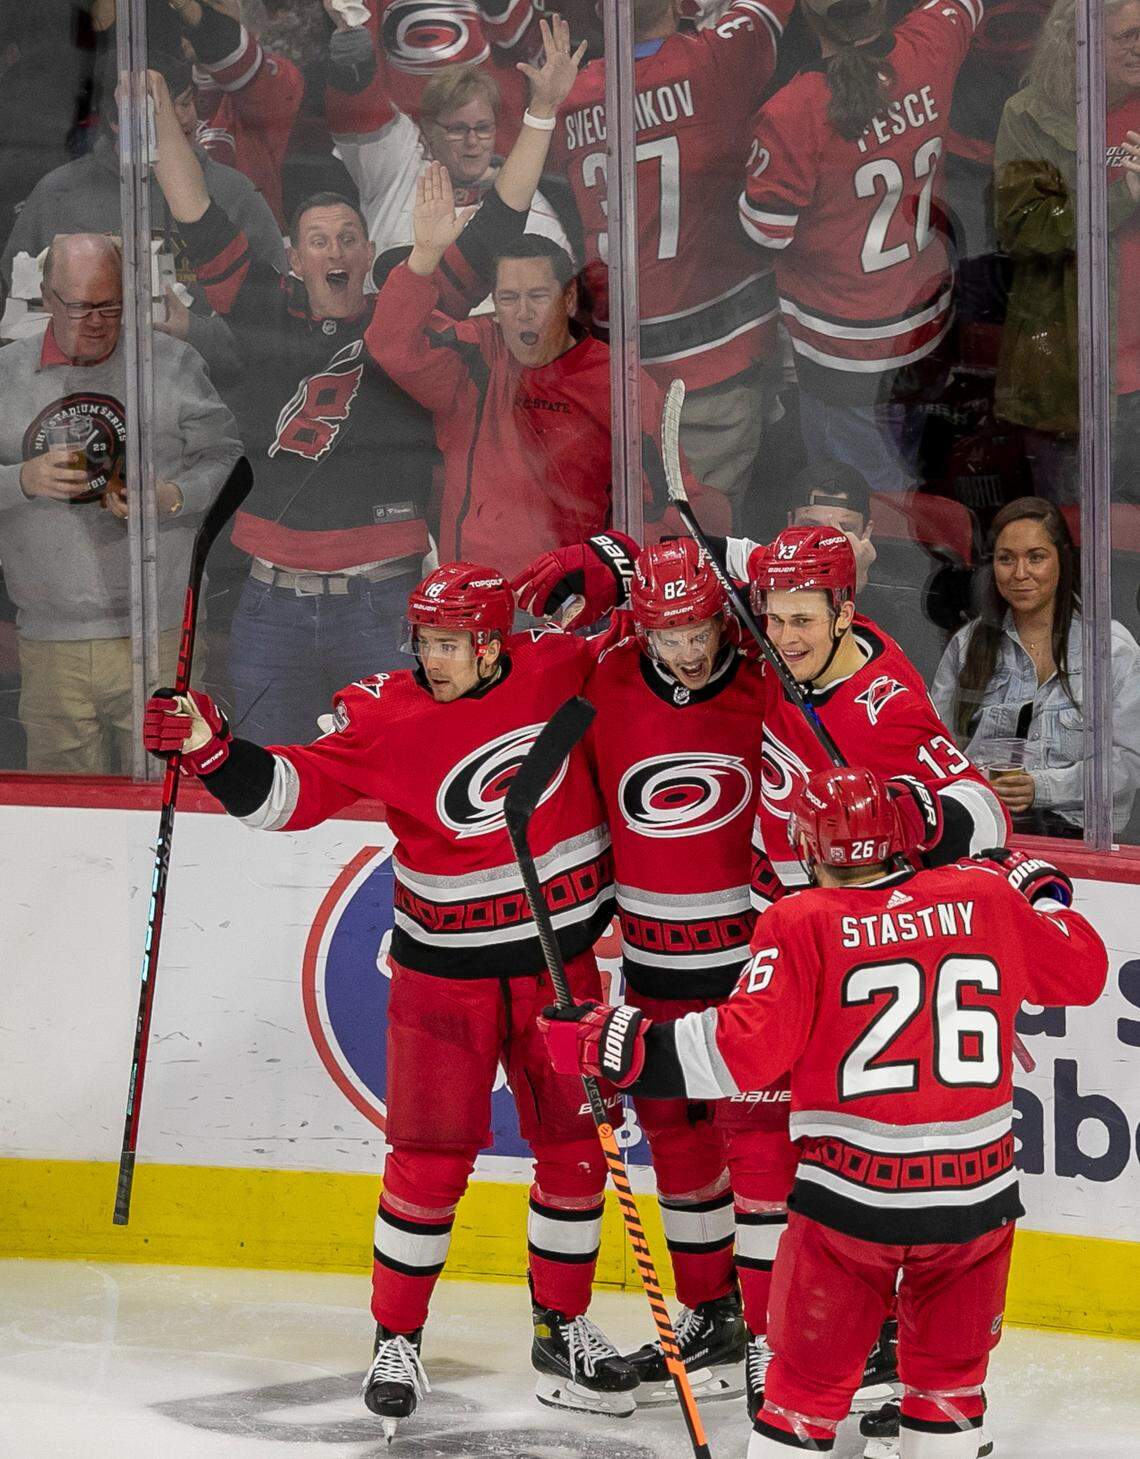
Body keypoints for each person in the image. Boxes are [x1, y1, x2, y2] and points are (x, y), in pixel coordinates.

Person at [515, 523, 1009, 1421]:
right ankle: (737, 1326)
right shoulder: (778, 652)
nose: (776, 634)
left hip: (839, 950)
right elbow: (718, 550)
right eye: (771, 617)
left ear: (844, 611)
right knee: (701, 1146)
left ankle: (842, 1344)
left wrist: (896, 816)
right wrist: (610, 555)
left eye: (799, 621)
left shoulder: (879, 699)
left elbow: (979, 808)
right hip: (774, 931)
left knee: (786, 1161)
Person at [141, 562, 637, 1435]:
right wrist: (213, 751)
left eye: (451, 644)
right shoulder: (384, 709)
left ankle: (561, 1330)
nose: (433, 658)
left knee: (572, 1153)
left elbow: (664, 643)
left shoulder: (560, 667)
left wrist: (610, 564)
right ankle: (396, 1337)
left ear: (494, 642)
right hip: (441, 978)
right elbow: (288, 795)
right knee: (429, 1162)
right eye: (426, 641)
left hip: (557, 972)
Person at [540, 765, 1109, 1459]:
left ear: (807, 851)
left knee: (801, 1397)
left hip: (851, 1207)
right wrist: (1042, 894)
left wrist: (618, 1042)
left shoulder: (801, 920)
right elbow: (1082, 969)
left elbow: (732, 1055)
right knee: (949, 1392)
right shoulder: (984, 897)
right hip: (976, 1205)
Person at [148, 16, 584, 744]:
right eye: (319, 241)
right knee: (270, 788)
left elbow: (501, 217)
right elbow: (193, 205)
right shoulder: (262, 305)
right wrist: (153, 97)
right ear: (294, 257)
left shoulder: (407, 310)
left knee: (393, 783)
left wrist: (541, 109)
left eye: (349, 237)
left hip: (382, 603)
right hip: (270, 604)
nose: (336, 250)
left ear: (370, 247)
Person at [575, 537, 783, 1406]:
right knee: (676, 1137)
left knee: (763, 1147)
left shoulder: (769, 681)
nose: (690, 650)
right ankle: (712, 1312)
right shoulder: (603, 679)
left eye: (701, 627)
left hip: (750, 962)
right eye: (670, 635)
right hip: (655, 959)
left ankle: (774, 1334)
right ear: (641, 628)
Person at [368, 166, 730, 578]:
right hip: (480, 596)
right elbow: (391, 347)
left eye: (538, 296)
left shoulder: (618, 383)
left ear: (569, 297)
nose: (522, 312)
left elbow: (676, 501)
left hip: (576, 608)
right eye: (508, 297)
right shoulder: (477, 354)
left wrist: (607, 576)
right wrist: (424, 257)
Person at [0, 232, 241, 773]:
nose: (97, 321)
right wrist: (21, 479)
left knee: (166, 799)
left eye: (110, 305)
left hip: (156, 635)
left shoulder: (172, 363)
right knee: (66, 824)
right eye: (81, 306)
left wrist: (173, 497)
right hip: (51, 638)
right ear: (46, 296)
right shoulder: (6, 374)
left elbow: (228, 460)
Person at [549, 0, 793, 521]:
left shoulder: (565, 92)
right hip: (714, 360)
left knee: (623, 552)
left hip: (615, 371)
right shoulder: (717, 59)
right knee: (694, 563)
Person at [739, 0, 981, 494]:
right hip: (927, 325)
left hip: (841, 351)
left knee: (858, 509)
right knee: (923, 486)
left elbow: (768, 230)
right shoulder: (932, 43)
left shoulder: (794, 109)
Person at [0, 45, 282, 382]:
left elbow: (275, 328)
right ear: (118, 122)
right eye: (167, 107)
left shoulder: (235, 193)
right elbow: (16, 324)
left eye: (187, 101)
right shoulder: (57, 194)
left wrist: (192, 334)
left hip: (210, 403)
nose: (185, 117)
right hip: (82, 403)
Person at [993, 0, 1140, 504]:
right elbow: (1024, 230)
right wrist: (1124, 196)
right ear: (1083, 42)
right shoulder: (1030, 113)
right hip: (1074, 377)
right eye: (1129, 36)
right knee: (1073, 532)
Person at [931, 496, 1140, 836]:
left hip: (1081, 839)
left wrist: (1042, 787)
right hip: (981, 830)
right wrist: (976, 783)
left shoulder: (1111, 649)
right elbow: (936, 748)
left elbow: (1130, 762)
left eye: (1036, 557)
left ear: (1062, 561)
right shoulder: (968, 644)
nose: (1020, 573)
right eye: (1006, 559)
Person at [324, 4, 572, 259]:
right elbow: (358, 111)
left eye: (483, 129)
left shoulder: (535, 210)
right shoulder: (396, 168)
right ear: (429, 131)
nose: (473, 141)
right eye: (457, 130)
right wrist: (353, 64)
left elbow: (559, 293)